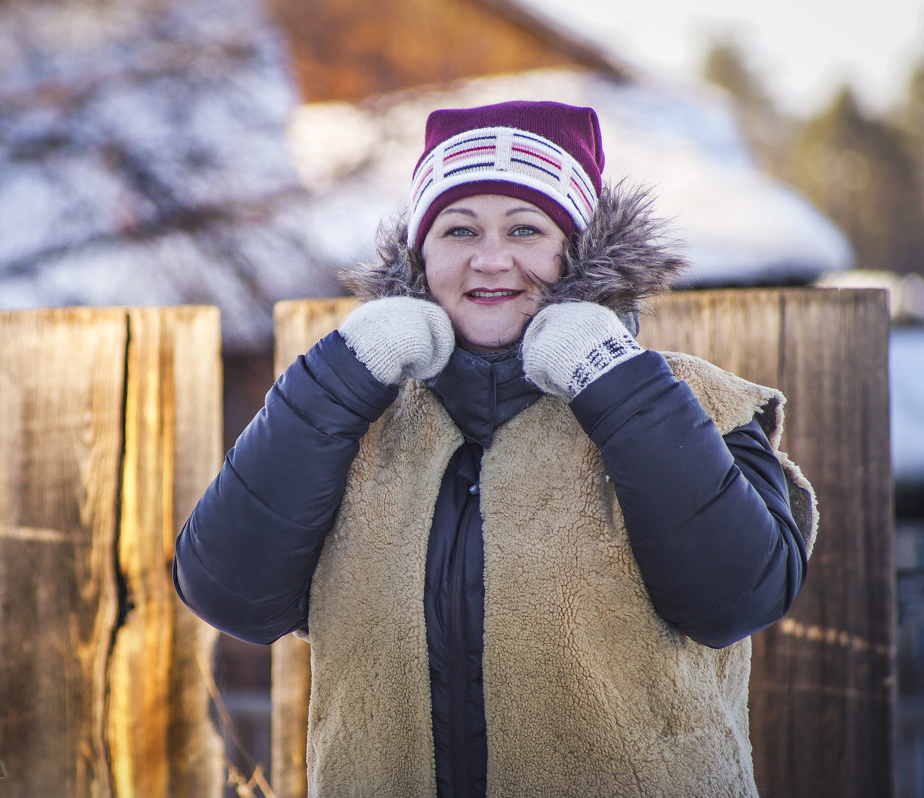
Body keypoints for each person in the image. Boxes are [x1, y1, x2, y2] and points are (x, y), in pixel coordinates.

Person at [173, 100, 817, 797]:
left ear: (577, 249)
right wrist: (336, 379)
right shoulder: (355, 415)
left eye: (525, 228)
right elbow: (229, 594)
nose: (490, 258)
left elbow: (736, 599)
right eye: (458, 229)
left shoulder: (697, 401)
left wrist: (619, 385)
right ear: (421, 255)